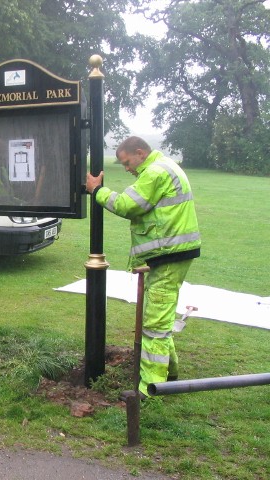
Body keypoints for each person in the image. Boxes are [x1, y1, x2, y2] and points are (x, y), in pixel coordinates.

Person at [85, 136, 201, 400]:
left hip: (169, 255)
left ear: (140, 152)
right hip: (171, 254)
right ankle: (169, 373)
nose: (127, 169)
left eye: (127, 162)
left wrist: (96, 190)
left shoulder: (155, 172)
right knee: (160, 316)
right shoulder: (164, 167)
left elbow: (128, 205)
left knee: (154, 325)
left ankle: (149, 390)